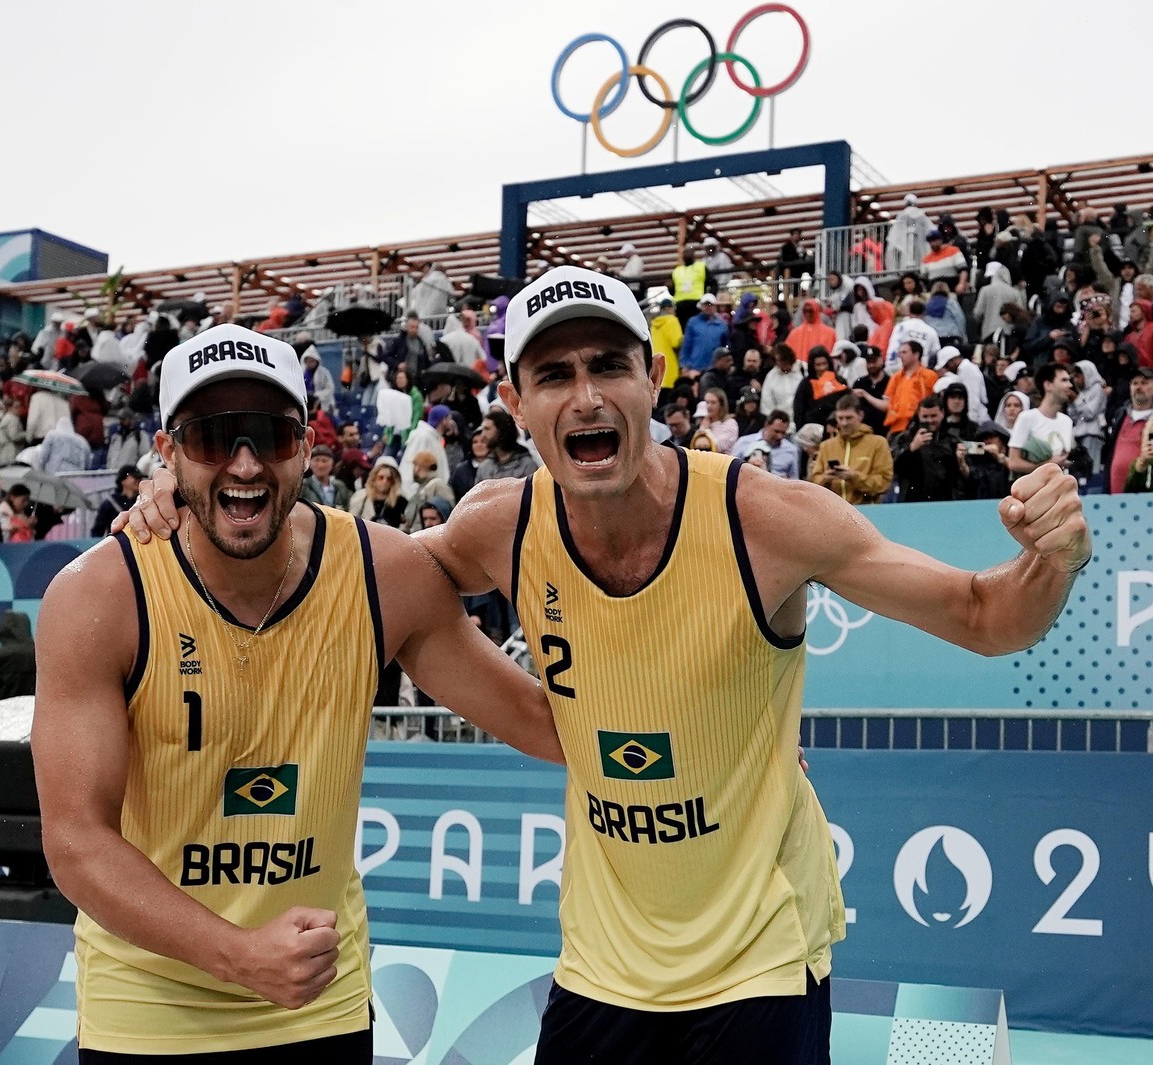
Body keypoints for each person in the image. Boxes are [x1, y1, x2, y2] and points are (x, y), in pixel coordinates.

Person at [118, 267, 1093, 1065]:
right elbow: (350, 575)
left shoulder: (765, 522)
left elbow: (984, 618)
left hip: (757, 962)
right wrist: (190, 497)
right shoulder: (498, 528)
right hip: (601, 972)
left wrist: (1050, 558)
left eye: (608, 366)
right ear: (516, 403)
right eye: (552, 375)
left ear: (650, 382)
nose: (585, 395)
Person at [38, 323, 561, 1060]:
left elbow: (541, 720)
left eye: (270, 435)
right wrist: (238, 954)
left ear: (309, 444)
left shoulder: (382, 573)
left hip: (317, 1000)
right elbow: (74, 841)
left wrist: (733, 755)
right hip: (151, 1005)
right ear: (167, 451)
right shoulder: (100, 595)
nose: (245, 463)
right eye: (214, 437)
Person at [1007, 365, 1077, 476]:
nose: (1070, 385)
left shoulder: (1066, 421)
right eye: (1064, 380)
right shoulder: (1027, 418)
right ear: (1048, 385)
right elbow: (1013, 462)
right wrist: (1047, 465)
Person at [891, 395, 963, 502]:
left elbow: (962, 477)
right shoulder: (904, 438)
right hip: (911, 501)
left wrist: (961, 461)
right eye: (925, 416)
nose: (929, 420)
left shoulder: (952, 440)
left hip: (945, 502)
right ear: (918, 415)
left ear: (942, 413)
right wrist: (911, 448)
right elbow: (893, 466)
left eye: (933, 416)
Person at [882, 340, 938, 436]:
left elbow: (935, 401)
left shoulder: (929, 375)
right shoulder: (896, 377)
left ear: (916, 354)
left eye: (904, 352)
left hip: (920, 426)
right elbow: (887, 403)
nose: (900, 356)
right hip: (897, 428)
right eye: (900, 353)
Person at [730, 410, 802, 479]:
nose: (780, 436)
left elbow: (794, 478)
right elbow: (731, 469)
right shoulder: (744, 442)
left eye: (783, 433)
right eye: (776, 431)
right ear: (766, 425)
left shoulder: (791, 449)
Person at [475, 409, 540, 483]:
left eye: (487, 429)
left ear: (501, 430)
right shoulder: (485, 467)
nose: (482, 435)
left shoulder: (526, 465)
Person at [680, 294, 729, 376]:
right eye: (705, 304)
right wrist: (684, 365)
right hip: (695, 368)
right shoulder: (692, 322)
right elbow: (686, 345)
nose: (708, 307)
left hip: (715, 369)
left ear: (715, 306)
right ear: (701, 306)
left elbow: (726, 346)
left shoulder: (722, 325)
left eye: (710, 304)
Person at [92, 464, 144, 538]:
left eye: (140, 478)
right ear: (123, 480)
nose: (138, 480)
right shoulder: (109, 503)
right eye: (135, 477)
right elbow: (97, 530)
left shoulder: (143, 500)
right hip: (116, 544)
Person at [300, 444, 352, 510]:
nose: (320, 465)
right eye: (316, 460)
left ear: (332, 464)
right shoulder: (303, 486)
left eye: (324, 461)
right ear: (310, 463)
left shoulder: (340, 486)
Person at [650, 298, 683, 396]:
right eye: (673, 308)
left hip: (657, 369)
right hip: (670, 369)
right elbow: (676, 342)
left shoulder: (654, 324)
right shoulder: (672, 320)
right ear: (668, 308)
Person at [670, 247, 707, 326]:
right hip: (681, 306)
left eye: (689, 253)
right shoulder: (677, 271)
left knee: (697, 326)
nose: (687, 255)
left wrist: (707, 296)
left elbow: (712, 283)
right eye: (685, 253)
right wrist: (669, 287)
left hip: (696, 303)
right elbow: (673, 291)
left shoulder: (701, 267)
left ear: (694, 255)